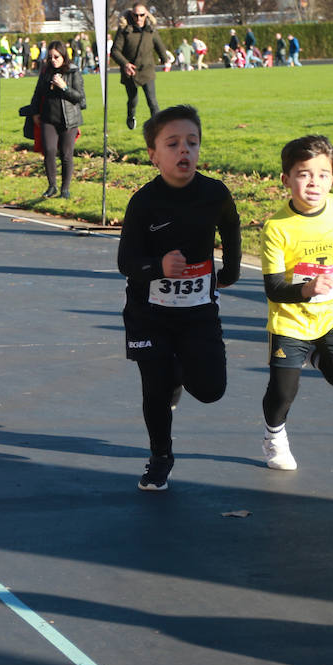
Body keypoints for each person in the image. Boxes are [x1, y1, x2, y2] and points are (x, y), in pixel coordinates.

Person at [116, 104, 241, 491]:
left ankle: (180, 372)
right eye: (173, 144)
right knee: (154, 387)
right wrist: (157, 266)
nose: (184, 150)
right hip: (148, 311)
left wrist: (231, 269)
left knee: (210, 390)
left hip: (197, 310)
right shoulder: (143, 202)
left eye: (192, 142)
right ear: (154, 155)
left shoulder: (214, 194)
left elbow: (232, 227)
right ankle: (160, 457)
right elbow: (126, 262)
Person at [260, 135, 333, 471]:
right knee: (284, 392)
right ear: (286, 180)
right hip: (291, 320)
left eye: (323, 174)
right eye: (304, 174)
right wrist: (306, 291)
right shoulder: (277, 228)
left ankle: (316, 354)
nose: (314, 182)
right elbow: (274, 288)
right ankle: (273, 436)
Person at [22, 39, 84, 200]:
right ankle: (52, 186)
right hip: (48, 118)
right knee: (49, 150)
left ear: (63, 56)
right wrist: (35, 112)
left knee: (66, 154)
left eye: (56, 57)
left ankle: (65, 189)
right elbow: (37, 94)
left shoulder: (72, 72)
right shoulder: (45, 72)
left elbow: (80, 98)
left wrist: (64, 87)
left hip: (68, 119)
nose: (53, 60)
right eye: (50, 57)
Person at [110, 4, 169, 129]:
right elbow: (115, 51)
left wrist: (165, 59)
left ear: (146, 15)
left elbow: (159, 46)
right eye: (136, 15)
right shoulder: (125, 30)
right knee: (133, 100)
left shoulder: (151, 30)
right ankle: (130, 116)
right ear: (131, 15)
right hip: (130, 72)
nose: (139, 18)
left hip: (147, 70)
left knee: (152, 101)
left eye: (142, 15)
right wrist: (125, 64)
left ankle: (157, 127)